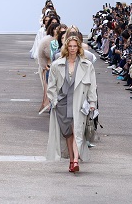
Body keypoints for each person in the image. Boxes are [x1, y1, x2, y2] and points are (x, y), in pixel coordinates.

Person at [45, 29, 98, 173]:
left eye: (75, 46)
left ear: (79, 47)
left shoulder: (87, 65)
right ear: (66, 48)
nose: (73, 49)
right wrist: (53, 100)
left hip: (79, 102)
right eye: (70, 46)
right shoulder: (57, 65)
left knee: (77, 130)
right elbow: (51, 85)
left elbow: (92, 85)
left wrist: (92, 102)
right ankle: (71, 160)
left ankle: (75, 161)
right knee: (68, 133)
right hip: (62, 103)